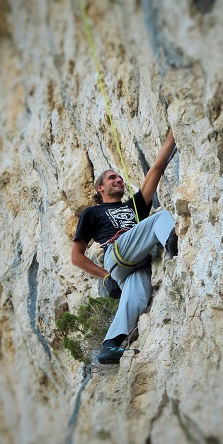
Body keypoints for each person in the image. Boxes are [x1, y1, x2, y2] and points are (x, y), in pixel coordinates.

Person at [71, 130, 178, 364]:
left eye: (119, 177)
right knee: (160, 218)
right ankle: (175, 244)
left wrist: (173, 132)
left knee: (137, 295)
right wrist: (105, 276)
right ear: (100, 188)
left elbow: (157, 169)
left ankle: (110, 345)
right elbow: (76, 257)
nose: (118, 179)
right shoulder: (93, 212)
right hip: (116, 252)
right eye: (112, 178)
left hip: (133, 262)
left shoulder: (134, 207)